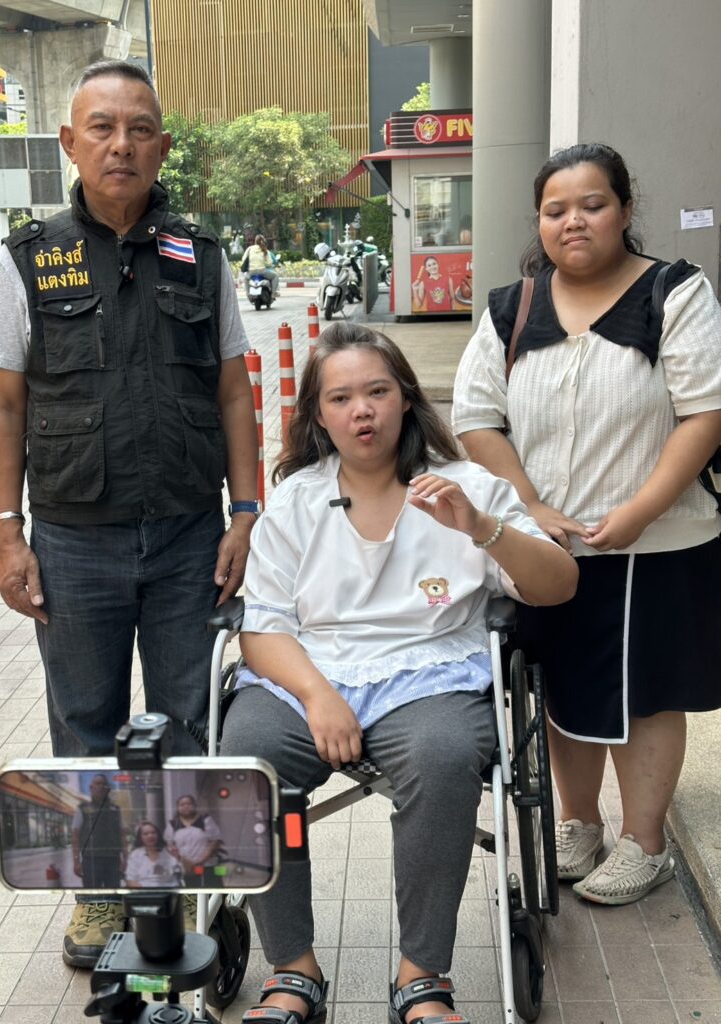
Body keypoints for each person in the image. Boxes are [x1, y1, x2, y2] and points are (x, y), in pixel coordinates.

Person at [0, 60, 259, 967]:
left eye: (139, 128)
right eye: (101, 127)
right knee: (84, 723)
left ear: (163, 145)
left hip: (188, 536)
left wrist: (246, 512)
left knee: (185, 721)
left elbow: (233, 393)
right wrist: (8, 533)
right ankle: (101, 896)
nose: (121, 144)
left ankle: (175, 888)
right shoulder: (29, 259)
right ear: (70, 142)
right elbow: (3, 404)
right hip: (73, 538)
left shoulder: (201, 254)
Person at [220, 322, 577, 1024]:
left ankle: (421, 977)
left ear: (406, 399)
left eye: (378, 392)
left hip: (429, 673)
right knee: (247, 756)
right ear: (319, 415)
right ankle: (292, 969)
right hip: (307, 675)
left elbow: (559, 584)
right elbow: (262, 628)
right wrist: (317, 696)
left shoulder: (468, 487)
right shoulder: (295, 500)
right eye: (341, 398)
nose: (363, 411)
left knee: (443, 755)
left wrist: (481, 528)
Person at [452, 142, 721, 907]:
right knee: (561, 686)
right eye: (556, 209)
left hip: (658, 543)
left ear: (625, 210)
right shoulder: (512, 307)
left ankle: (646, 842)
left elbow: (705, 411)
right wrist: (528, 506)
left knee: (646, 693)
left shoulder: (674, 291)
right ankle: (578, 824)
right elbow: (476, 417)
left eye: (593, 204)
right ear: (539, 221)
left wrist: (639, 510)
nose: (574, 221)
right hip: (548, 547)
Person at [71, 774, 127, 888]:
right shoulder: (82, 809)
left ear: (107, 789)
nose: (101, 787)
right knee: (92, 894)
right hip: (90, 860)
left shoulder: (115, 810)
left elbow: (122, 835)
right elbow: (75, 836)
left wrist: (125, 859)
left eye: (104, 784)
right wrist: (76, 861)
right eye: (97, 784)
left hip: (113, 860)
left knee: (113, 894)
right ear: (91, 787)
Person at [164, 793, 223, 884]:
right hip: (185, 868)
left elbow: (214, 842)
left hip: (206, 866)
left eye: (189, 804)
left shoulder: (205, 820)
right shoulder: (173, 824)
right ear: (178, 808)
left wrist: (200, 862)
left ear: (194, 806)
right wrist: (184, 861)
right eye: (182, 805)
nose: (186, 806)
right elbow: (170, 845)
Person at [125, 821, 181, 888]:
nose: (150, 836)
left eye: (153, 833)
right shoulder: (136, 855)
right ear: (140, 837)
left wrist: (178, 857)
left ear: (158, 835)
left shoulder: (169, 852)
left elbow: (183, 872)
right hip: (144, 891)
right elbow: (131, 880)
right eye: (146, 834)